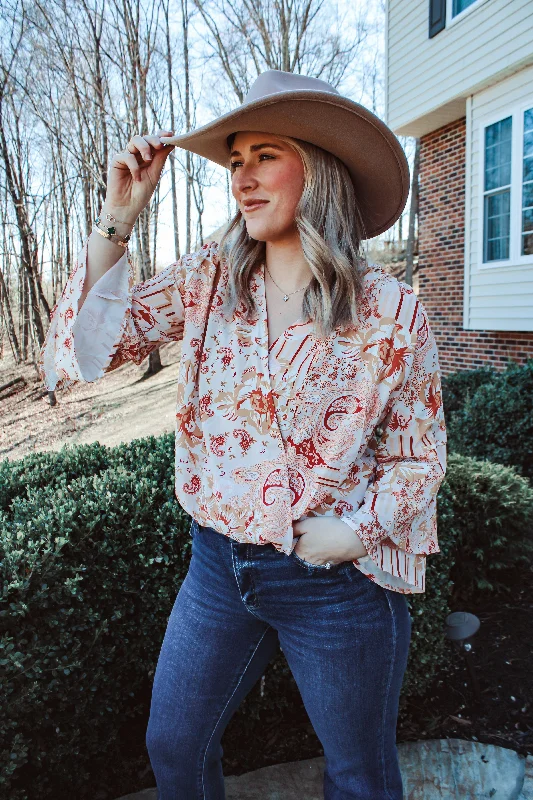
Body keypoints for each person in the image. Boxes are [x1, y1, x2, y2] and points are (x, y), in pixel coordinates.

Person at [39, 70, 447, 800]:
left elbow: (418, 458)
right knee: (175, 745)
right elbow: (92, 350)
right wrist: (118, 216)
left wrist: (353, 534)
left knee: (358, 773)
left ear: (319, 168)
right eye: (234, 161)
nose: (242, 179)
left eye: (265, 155)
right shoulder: (208, 278)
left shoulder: (390, 311)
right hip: (215, 572)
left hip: (334, 585)